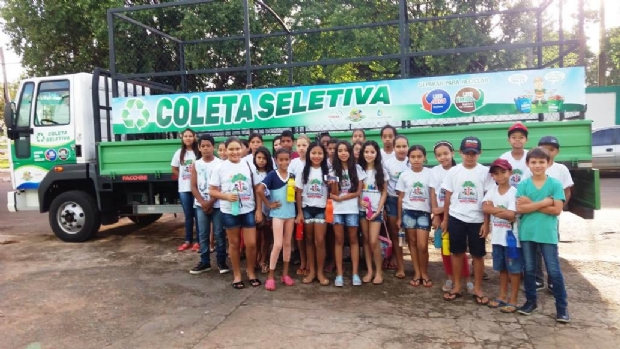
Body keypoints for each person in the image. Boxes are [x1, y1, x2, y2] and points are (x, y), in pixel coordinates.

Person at [516, 147, 570, 323]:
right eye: (533, 162)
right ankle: (531, 302)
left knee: (554, 270)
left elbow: (556, 210)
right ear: (527, 164)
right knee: (530, 269)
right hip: (527, 232)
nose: (537, 165)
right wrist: (544, 202)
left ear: (548, 163)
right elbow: (520, 208)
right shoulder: (523, 184)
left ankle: (562, 308)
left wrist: (532, 203)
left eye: (541, 162)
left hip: (547, 233)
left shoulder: (555, 184)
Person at [441, 136, 494, 304]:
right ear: (460, 152)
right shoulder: (453, 172)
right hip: (456, 217)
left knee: (478, 255)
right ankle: (457, 286)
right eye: (467, 153)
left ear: (480, 153)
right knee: (457, 253)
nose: (470, 157)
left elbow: (487, 199)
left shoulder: (485, 173)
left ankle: (477, 288)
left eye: (474, 153)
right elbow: (448, 197)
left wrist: (486, 223)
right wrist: (445, 220)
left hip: (477, 220)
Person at [209, 137, 263, 289]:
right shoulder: (220, 168)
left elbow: (257, 189)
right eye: (231, 149)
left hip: (248, 209)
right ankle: (237, 274)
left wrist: (259, 210)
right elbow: (212, 191)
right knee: (234, 244)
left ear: (243, 149)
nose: (235, 152)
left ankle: (251, 271)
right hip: (229, 211)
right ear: (225, 151)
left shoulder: (248, 164)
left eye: (237, 149)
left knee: (251, 244)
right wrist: (225, 196)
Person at [429, 141, 473, 293]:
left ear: (453, 153)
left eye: (446, 154)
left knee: (459, 250)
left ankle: (467, 279)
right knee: (446, 249)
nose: (443, 157)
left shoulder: (459, 170)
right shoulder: (434, 171)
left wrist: (442, 209)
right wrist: (435, 214)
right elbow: (433, 193)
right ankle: (450, 277)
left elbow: (457, 196)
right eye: (439, 155)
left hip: (455, 215)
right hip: (441, 216)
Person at [482, 159, 520, 313]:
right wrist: (498, 211)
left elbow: (511, 215)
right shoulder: (492, 190)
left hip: (512, 239)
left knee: (514, 270)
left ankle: (514, 299)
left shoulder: (514, 192)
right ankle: (502, 296)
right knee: (502, 269)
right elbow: (485, 207)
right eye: (496, 173)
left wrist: (494, 209)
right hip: (497, 237)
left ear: (510, 173)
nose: (500, 176)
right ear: (493, 176)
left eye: (503, 172)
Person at [537, 135, 574, 292]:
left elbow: (567, 191)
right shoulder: (533, 167)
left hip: (552, 216)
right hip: (534, 215)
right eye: (544, 149)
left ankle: (553, 280)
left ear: (557, 152)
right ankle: (538, 279)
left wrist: (558, 208)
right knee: (535, 248)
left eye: (551, 150)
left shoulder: (561, 169)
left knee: (551, 248)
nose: (548, 152)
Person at [257, 149, 297, 291]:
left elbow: (296, 194)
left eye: (287, 159)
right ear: (276, 160)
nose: (284, 162)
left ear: (290, 160)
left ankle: (285, 274)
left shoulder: (292, 176)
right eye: (281, 160)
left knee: (287, 244)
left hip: (290, 214)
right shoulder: (273, 175)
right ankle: (271, 276)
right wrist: (268, 205)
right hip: (278, 215)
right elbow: (259, 189)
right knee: (278, 244)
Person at [189, 134, 229, 275]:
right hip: (200, 205)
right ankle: (204, 262)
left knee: (219, 233)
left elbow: (221, 186)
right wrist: (202, 202)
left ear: (214, 147)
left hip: (217, 204)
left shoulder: (220, 164)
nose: (205, 149)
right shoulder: (196, 164)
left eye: (208, 146)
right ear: (199, 148)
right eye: (203, 146)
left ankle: (221, 262)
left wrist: (210, 202)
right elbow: (193, 186)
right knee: (203, 234)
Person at [329, 141, 366, 287]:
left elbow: (358, 192)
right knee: (338, 240)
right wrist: (334, 187)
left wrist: (341, 198)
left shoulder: (357, 168)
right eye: (340, 150)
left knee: (353, 240)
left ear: (350, 152)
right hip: (337, 210)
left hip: (352, 209)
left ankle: (355, 273)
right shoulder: (332, 170)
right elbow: (334, 193)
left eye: (346, 150)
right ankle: (339, 274)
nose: (343, 153)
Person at [396, 145, 433, 288]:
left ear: (424, 158)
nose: (416, 160)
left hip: (424, 213)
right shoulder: (404, 175)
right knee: (412, 244)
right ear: (409, 158)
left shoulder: (430, 174)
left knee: (422, 245)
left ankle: (425, 272)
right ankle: (417, 273)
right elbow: (400, 197)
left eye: (419, 156)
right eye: (413, 157)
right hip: (408, 212)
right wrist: (399, 217)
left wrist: (434, 212)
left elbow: (432, 194)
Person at [296, 141, 331, 285]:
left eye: (320, 153)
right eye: (314, 153)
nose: (316, 156)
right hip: (307, 209)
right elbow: (298, 193)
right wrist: (299, 212)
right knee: (309, 241)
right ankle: (312, 272)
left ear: (324, 155)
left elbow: (333, 191)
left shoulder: (328, 171)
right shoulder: (303, 171)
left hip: (322, 209)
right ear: (309, 154)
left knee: (320, 241)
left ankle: (320, 273)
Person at [358, 140, 388, 285]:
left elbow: (384, 192)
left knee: (373, 240)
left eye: (372, 152)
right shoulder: (358, 170)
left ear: (377, 154)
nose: (369, 155)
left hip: (376, 211)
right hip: (362, 211)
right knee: (365, 240)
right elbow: (355, 190)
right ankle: (369, 271)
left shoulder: (381, 170)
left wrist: (379, 210)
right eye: (366, 152)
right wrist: (359, 201)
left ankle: (379, 272)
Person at [382, 135, 409, 278]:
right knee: (395, 234)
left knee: (410, 235)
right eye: (398, 146)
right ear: (394, 148)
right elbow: (385, 186)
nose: (401, 149)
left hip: (410, 202)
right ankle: (400, 267)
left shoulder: (412, 162)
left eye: (404, 146)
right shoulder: (388, 164)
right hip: (392, 200)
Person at [171, 128, 200, 252]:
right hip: (184, 189)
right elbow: (174, 168)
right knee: (188, 216)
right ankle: (188, 241)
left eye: (190, 136)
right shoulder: (179, 153)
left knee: (199, 216)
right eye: (185, 136)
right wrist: (183, 179)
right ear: (182, 138)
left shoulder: (198, 152)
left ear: (194, 137)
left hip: (197, 189)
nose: (188, 138)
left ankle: (199, 241)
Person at [289, 135, 311, 276]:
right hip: (297, 203)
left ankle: (310, 262)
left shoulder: (315, 161)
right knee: (300, 235)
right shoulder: (294, 163)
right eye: (299, 145)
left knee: (311, 236)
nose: (302, 148)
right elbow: (290, 182)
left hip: (312, 201)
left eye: (305, 145)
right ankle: (303, 261)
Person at [254, 147, 275, 275]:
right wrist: (258, 210)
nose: (261, 161)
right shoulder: (252, 172)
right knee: (256, 236)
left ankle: (263, 260)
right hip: (257, 207)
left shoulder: (272, 173)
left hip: (269, 208)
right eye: (259, 158)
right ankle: (255, 259)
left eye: (264, 158)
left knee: (267, 236)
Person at [500, 122, 531, 188]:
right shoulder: (504, 158)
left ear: (527, 140)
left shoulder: (531, 156)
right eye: (514, 137)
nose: (517, 139)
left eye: (521, 137)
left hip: (527, 193)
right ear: (509, 140)